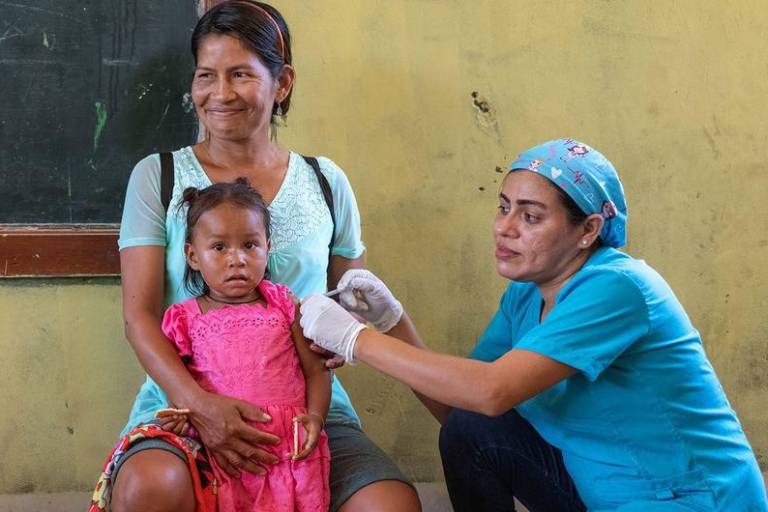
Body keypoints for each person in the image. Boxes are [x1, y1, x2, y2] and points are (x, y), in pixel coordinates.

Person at [299, 139, 768, 511]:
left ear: (587, 230)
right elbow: (465, 408)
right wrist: (393, 321)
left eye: (530, 216)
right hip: (597, 493)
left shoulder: (618, 287)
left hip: (687, 499)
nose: (505, 228)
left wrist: (357, 338)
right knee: (469, 432)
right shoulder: (527, 291)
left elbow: (491, 390)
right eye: (503, 208)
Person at [93, 2, 420, 511]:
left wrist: (346, 333)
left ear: (282, 83)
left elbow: (349, 302)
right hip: (183, 401)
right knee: (150, 487)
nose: (219, 94)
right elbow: (139, 317)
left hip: (308, 410)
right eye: (206, 75)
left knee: (389, 505)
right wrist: (200, 406)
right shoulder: (156, 177)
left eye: (240, 74)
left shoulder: (325, 182)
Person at [159, 179, 330, 511]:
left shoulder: (284, 305)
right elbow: (181, 392)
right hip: (223, 449)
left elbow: (317, 370)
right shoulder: (184, 319)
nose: (236, 259)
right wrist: (184, 419)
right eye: (219, 247)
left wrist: (316, 418)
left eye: (249, 245)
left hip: (289, 450)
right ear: (193, 256)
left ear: (267, 247)